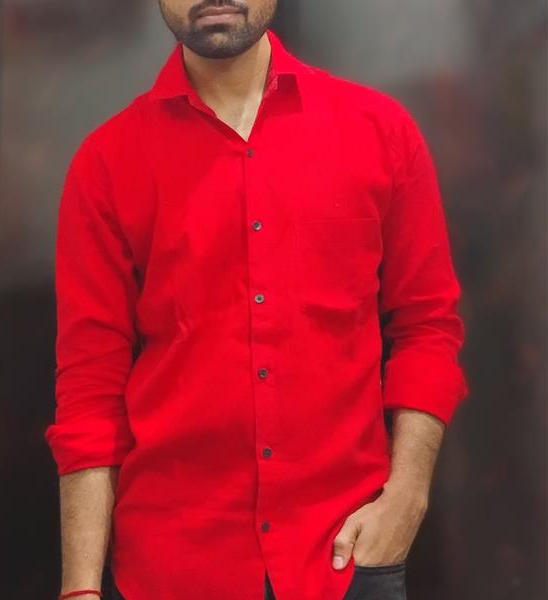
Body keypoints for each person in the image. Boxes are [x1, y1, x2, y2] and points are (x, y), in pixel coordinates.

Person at [45, 2, 470, 599]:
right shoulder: (106, 164)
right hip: (170, 571)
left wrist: (408, 497)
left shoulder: (380, 131)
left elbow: (428, 326)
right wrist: (80, 589)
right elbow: (90, 387)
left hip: (344, 560)